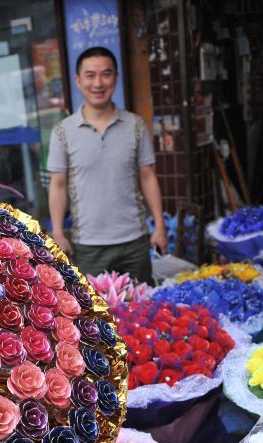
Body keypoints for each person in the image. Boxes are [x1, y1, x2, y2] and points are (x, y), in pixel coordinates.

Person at [47, 46, 167, 285]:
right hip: (88, 247)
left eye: (106, 74)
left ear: (116, 78)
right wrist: (58, 233)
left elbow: (148, 177)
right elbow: (58, 185)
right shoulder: (63, 131)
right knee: (96, 317)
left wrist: (160, 227)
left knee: (141, 313)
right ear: (78, 81)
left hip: (135, 242)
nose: (98, 83)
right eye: (90, 75)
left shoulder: (135, 125)